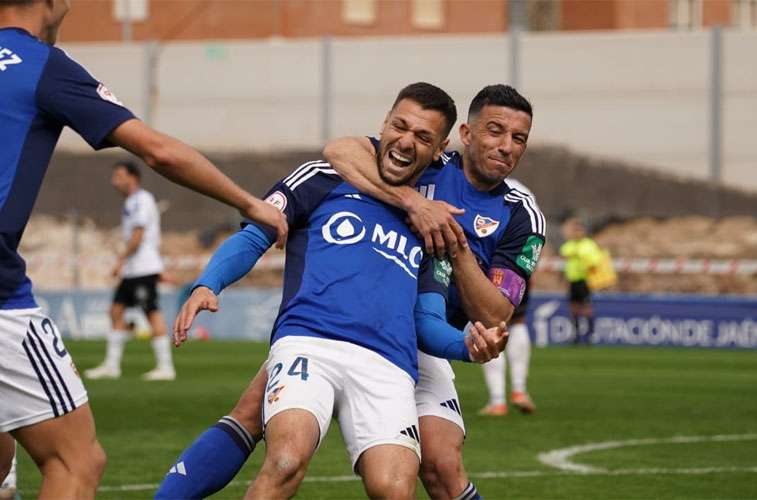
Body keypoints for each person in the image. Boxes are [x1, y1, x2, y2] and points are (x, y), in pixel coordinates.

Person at [157, 83, 508, 500]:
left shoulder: (431, 223)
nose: (406, 141)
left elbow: (426, 319)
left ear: (439, 150)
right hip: (310, 344)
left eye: (423, 137)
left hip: (388, 364)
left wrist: (468, 345)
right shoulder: (323, 179)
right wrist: (207, 283)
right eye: (400, 126)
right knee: (286, 458)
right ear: (384, 123)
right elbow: (256, 236)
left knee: (395, 489)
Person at [0, 1, 288, 497]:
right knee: (76, 461)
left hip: (133, 266)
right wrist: (251, 204)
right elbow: (159, 150)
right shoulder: (42, 65)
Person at [324, 84, 545, 499]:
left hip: (428, 339)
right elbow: (340, 151)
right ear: (466, 133)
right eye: (495, 131)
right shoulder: (427, 161)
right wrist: (415, 204)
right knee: (271, 437)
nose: (506, 146)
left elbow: (496, 313)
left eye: (519, 139)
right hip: (354, 324)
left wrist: (456, 244)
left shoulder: (521, 216)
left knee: (443, 467)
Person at [84, 161, 175, 381]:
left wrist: (120, 260)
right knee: (116, 311)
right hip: (134, 269)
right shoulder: (132, 202)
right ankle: (112, 365)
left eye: (119, 176)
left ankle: (165, 367)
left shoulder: (141, 200)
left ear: (132, 177)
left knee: (151, 312)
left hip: (142, 267)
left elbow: (139, 234)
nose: (114, 181)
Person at [478, 178, 538, 416]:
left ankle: (497, 400)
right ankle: (520, 391)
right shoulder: (523, 190)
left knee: (488, 325)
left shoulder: (476, 187)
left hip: (485, 267)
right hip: (517, 265)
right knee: (519, 322)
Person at [559, 217, 602, 345]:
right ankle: (576, 335)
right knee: (574, 308)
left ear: (584, 232)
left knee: (586, 308)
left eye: (580, 231)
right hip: (572, 280)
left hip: (584, 280)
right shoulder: (571, 244)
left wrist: (579, 255)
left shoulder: (589, 244)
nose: (578, 233)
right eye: (576, 231)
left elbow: (594, 260)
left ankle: (590, 335)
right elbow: (564, 252)